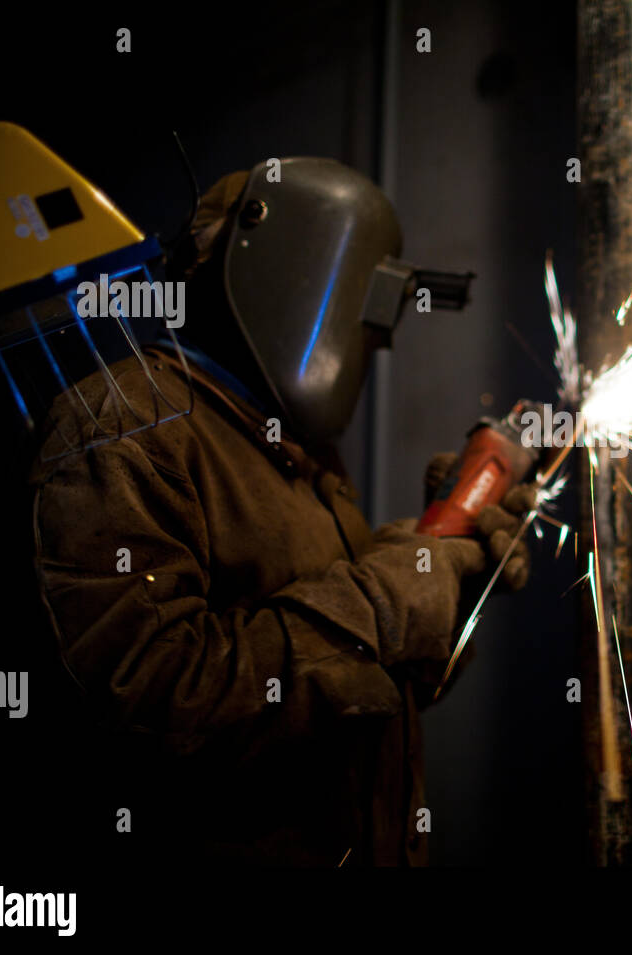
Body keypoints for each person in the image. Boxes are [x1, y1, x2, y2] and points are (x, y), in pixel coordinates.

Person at [30, 158, 532, 866]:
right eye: (372, 306)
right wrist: (387, 600)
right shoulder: (125, 426)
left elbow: (365, 691)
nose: (380, 341)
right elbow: (148, 706)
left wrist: (449, 575)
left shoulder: (292, 445)